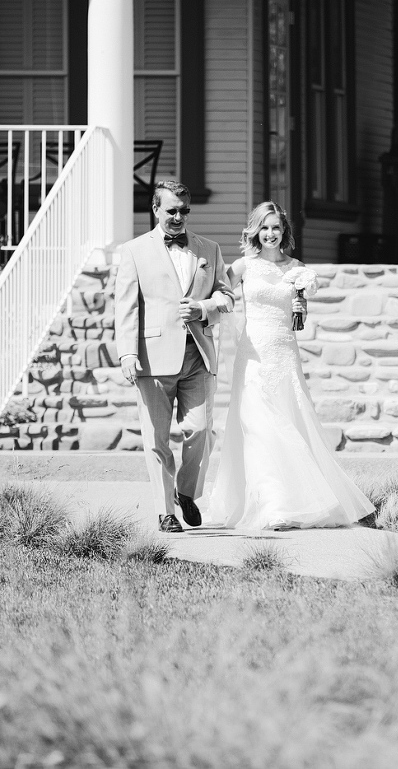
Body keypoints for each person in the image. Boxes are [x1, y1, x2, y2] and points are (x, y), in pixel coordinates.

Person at [203, 202, 375, 530]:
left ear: (284, 232)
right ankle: (273, 505)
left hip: (284, 353)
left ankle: (301, 499)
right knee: (258, 426)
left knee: (290, 420)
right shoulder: (242, 267)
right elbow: (219, 295)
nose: (270, 234)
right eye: (264, 228)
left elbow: (299, 322)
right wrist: (216, 306)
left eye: (276, 228)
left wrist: (301, 307)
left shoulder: (296, 268)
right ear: (255, 230)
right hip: (252, 355)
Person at [115, 180, 234, 533]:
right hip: (152, 359)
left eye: (184, 211)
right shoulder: (134, 251)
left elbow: (226, 297)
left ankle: (185, 491)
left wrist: (203, 308)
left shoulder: (208, 249)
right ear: (156, 210)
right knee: (157, 439)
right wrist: (126, 353)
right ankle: (165, 511)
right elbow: (125, 307)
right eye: (171, 210)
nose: (179, 217)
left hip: (198, 354)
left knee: (200, 431)